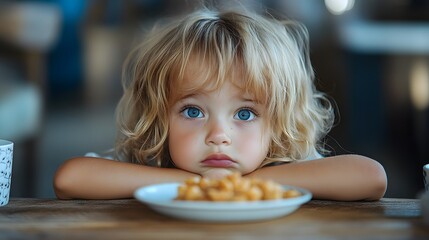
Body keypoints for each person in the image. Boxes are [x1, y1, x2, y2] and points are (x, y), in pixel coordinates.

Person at [53, 6, 387, 201]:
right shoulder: (156, 164)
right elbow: (70, 177)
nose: (219, 135)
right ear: (161, 116)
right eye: (193, 111)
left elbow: (371, 177)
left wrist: (243, 186)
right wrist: (199, 186)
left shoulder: (280, 166)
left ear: (278, 121)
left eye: (245, 113)